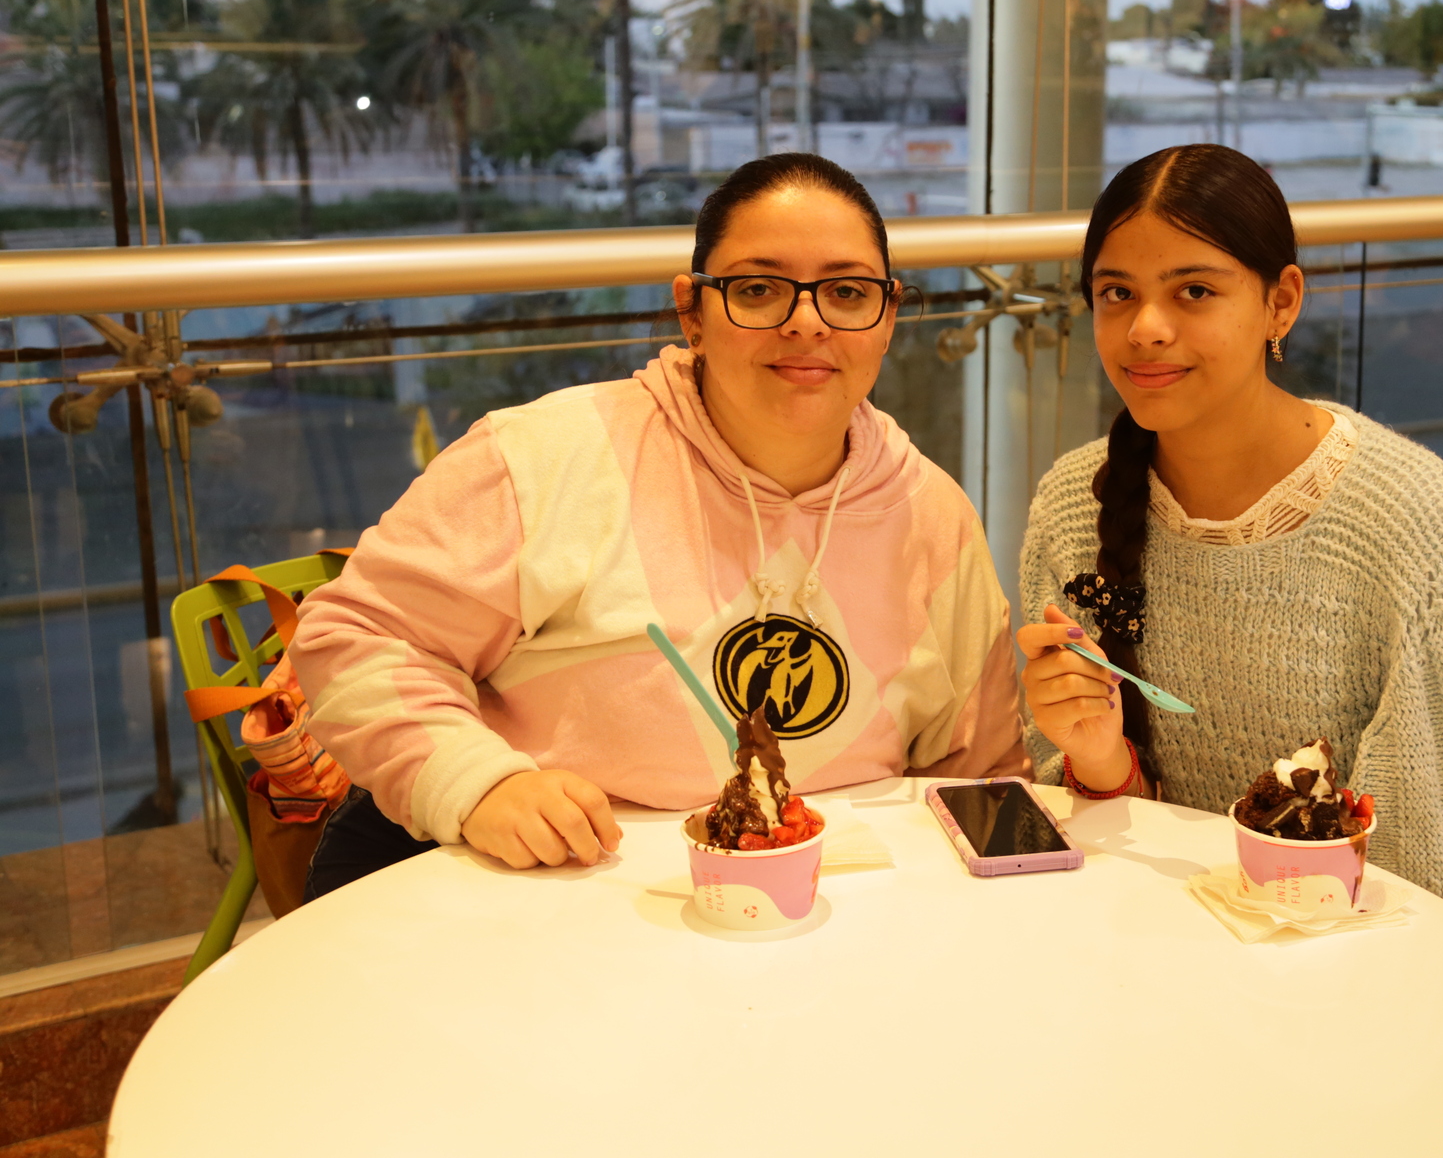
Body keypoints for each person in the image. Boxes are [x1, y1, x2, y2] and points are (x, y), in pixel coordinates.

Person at [292, 153, 1027, 897]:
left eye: (846, 292)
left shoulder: (933, 517)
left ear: (887, 317)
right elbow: (356, 639)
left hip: (822, 911)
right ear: (691, 313)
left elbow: (983, 781)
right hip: (552, 892)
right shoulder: (550, 457)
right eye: (758, 289)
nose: (806, 321)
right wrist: (478, 784)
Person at [1015, 144, 1443, 945]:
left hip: (1374, 939)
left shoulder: (1398, 514)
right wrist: (1098, 755)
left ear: (1281, 303)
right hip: (1177, 932)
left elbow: (1425, 869)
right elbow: (1093, 822)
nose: (1145, 329)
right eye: (1116, 293)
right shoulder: (1076, 502)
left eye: (1194, 291)